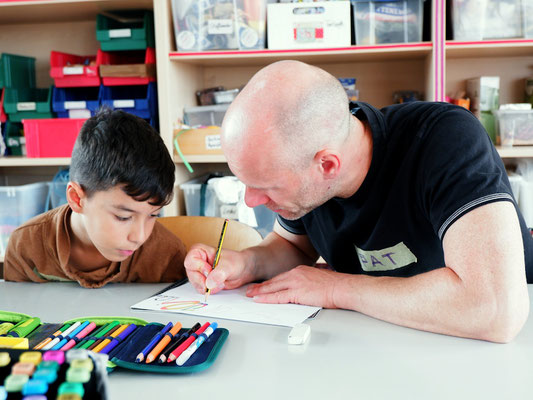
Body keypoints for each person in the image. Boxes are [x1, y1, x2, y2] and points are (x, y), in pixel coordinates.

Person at [185, 60, 533, 343]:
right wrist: (245, 264)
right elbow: (291, 245)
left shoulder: (443, 141)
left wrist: (337, 289)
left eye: (264, 185)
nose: (251, 199)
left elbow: (493, 310)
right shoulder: (307, 171)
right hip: (378, 340)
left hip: (482, 348)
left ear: (327, 165)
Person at [4, 108, 186, 288]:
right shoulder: (26, 246)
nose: (139, 236)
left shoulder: (167, 254)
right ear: (77, 199)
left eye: (153, 215)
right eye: (123, 217)